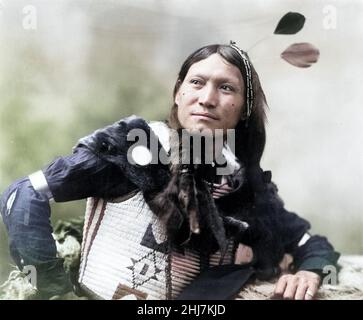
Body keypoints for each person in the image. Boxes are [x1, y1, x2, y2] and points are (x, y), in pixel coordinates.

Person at [0, 42, 340, 300]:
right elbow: (22, 194)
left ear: (244, 111)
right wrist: (52, 289)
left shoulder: (244, 185)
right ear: (178, 94)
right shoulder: (134, 147)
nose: (207, 98)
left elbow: (312, 243)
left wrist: (310, 272)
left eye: (226, 88)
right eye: (196, 82)